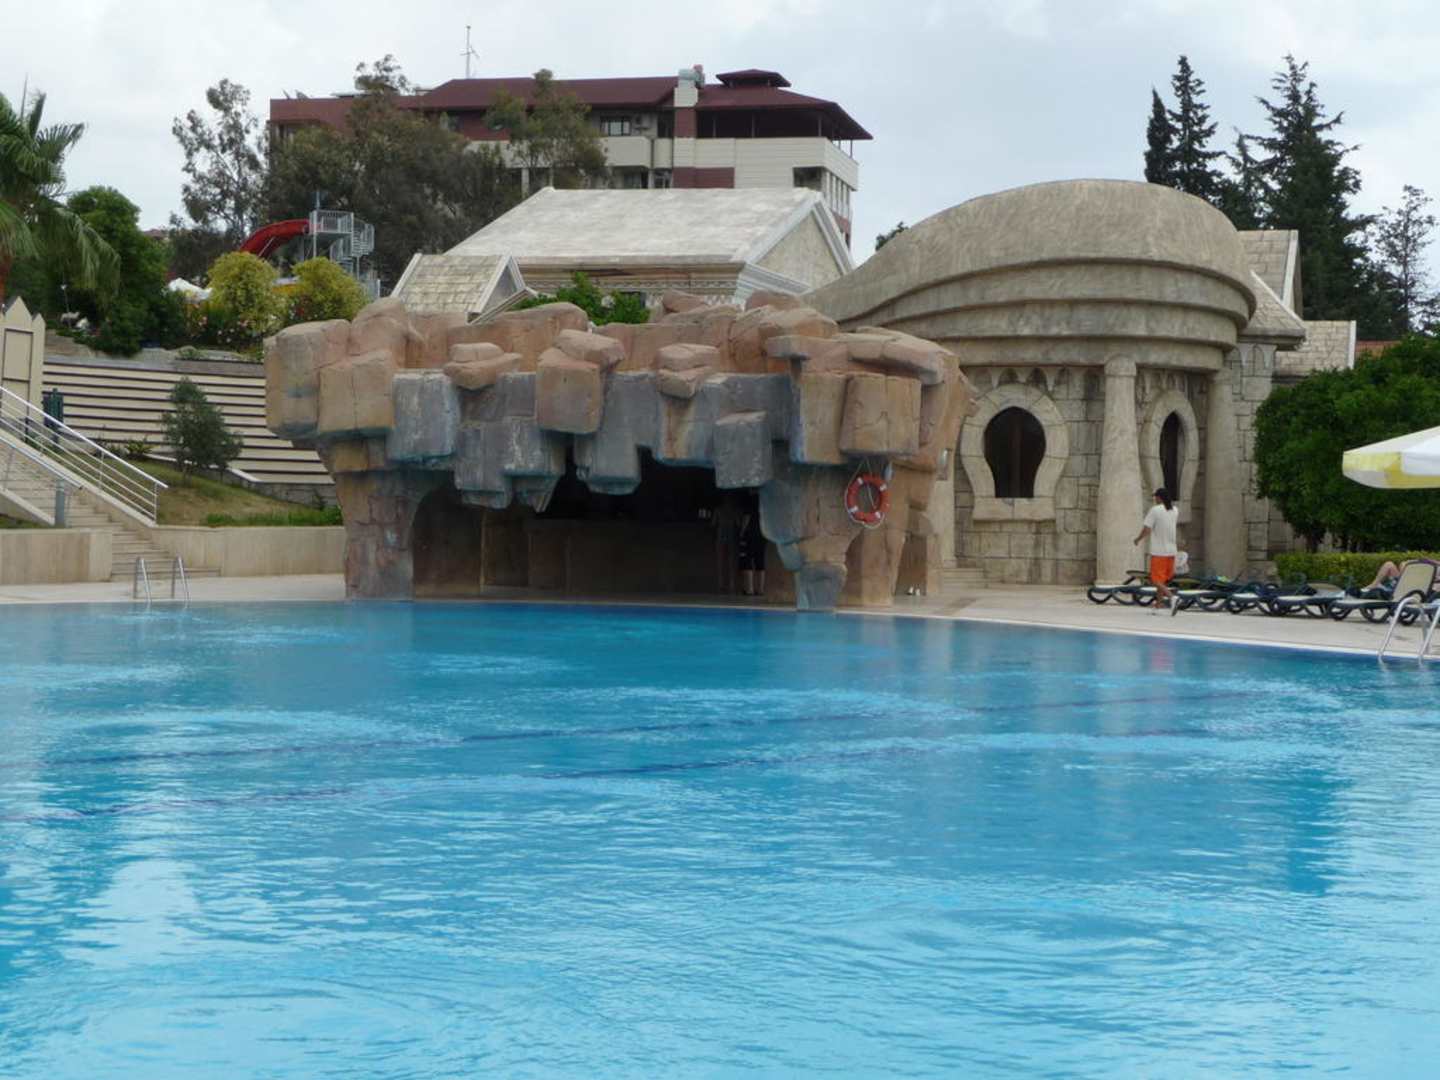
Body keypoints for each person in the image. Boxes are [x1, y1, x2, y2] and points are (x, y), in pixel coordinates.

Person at [1133, 487, 1180, 613]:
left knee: (1155, 580)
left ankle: (1172, 597)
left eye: (1156, 497)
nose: (1154, 499)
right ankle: (1158, 606)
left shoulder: (1155, 510)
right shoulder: (1175, 510)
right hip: (1172, 551)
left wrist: (1138, 539)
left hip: (1159, 551)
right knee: (1162, 580)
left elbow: (1147, 529)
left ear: (1159, 498)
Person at [738, 510, 766, 597]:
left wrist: (742, 532)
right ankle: (760, 590)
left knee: (747, 560)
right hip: (762, 534)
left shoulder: (750, 503)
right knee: (760, 561)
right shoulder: (763, 505)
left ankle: (749, 589)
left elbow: (747, 517)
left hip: (750, 534)